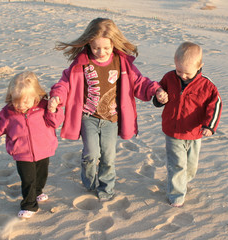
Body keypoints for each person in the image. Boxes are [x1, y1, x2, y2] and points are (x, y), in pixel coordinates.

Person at [50, 18, 163, 201]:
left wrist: (155, 90)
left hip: (111, 119)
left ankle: (106, 189)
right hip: (88, 117)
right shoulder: (82, 63)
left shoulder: (121, 62)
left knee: (109, 158)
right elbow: (64, 83)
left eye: (106, 48)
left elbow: (139, 82)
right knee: (91, 154)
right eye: (96, 48)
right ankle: (89, 181)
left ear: (113, 44)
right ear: (89, 44)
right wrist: (57, 96)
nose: (101, 52)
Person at [0, 71, 64, 219]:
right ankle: (29, 205)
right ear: (11, 97)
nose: (21, 106)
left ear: (36, 96)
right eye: (17, 101)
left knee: (41, 176)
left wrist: (53, 109)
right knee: (28, 179)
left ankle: (38, 191)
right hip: (22, 152)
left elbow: (55, 122)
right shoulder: (8, 112)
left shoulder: (43, 106)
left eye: (26, 101)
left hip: (44, 149)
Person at [153, 42, 222, 207]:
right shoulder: (169, 78)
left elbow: (215, 104)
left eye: (187, 73)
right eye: (179, 71)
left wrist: (209, 126)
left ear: (200, 66)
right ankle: (176, 195)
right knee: (177, 163)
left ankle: (183, 180)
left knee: (191, 166)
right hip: (173, 131)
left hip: (195, 132)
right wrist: (159, 96)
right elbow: (159, 91)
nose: (183, 76)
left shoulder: (207, 86)